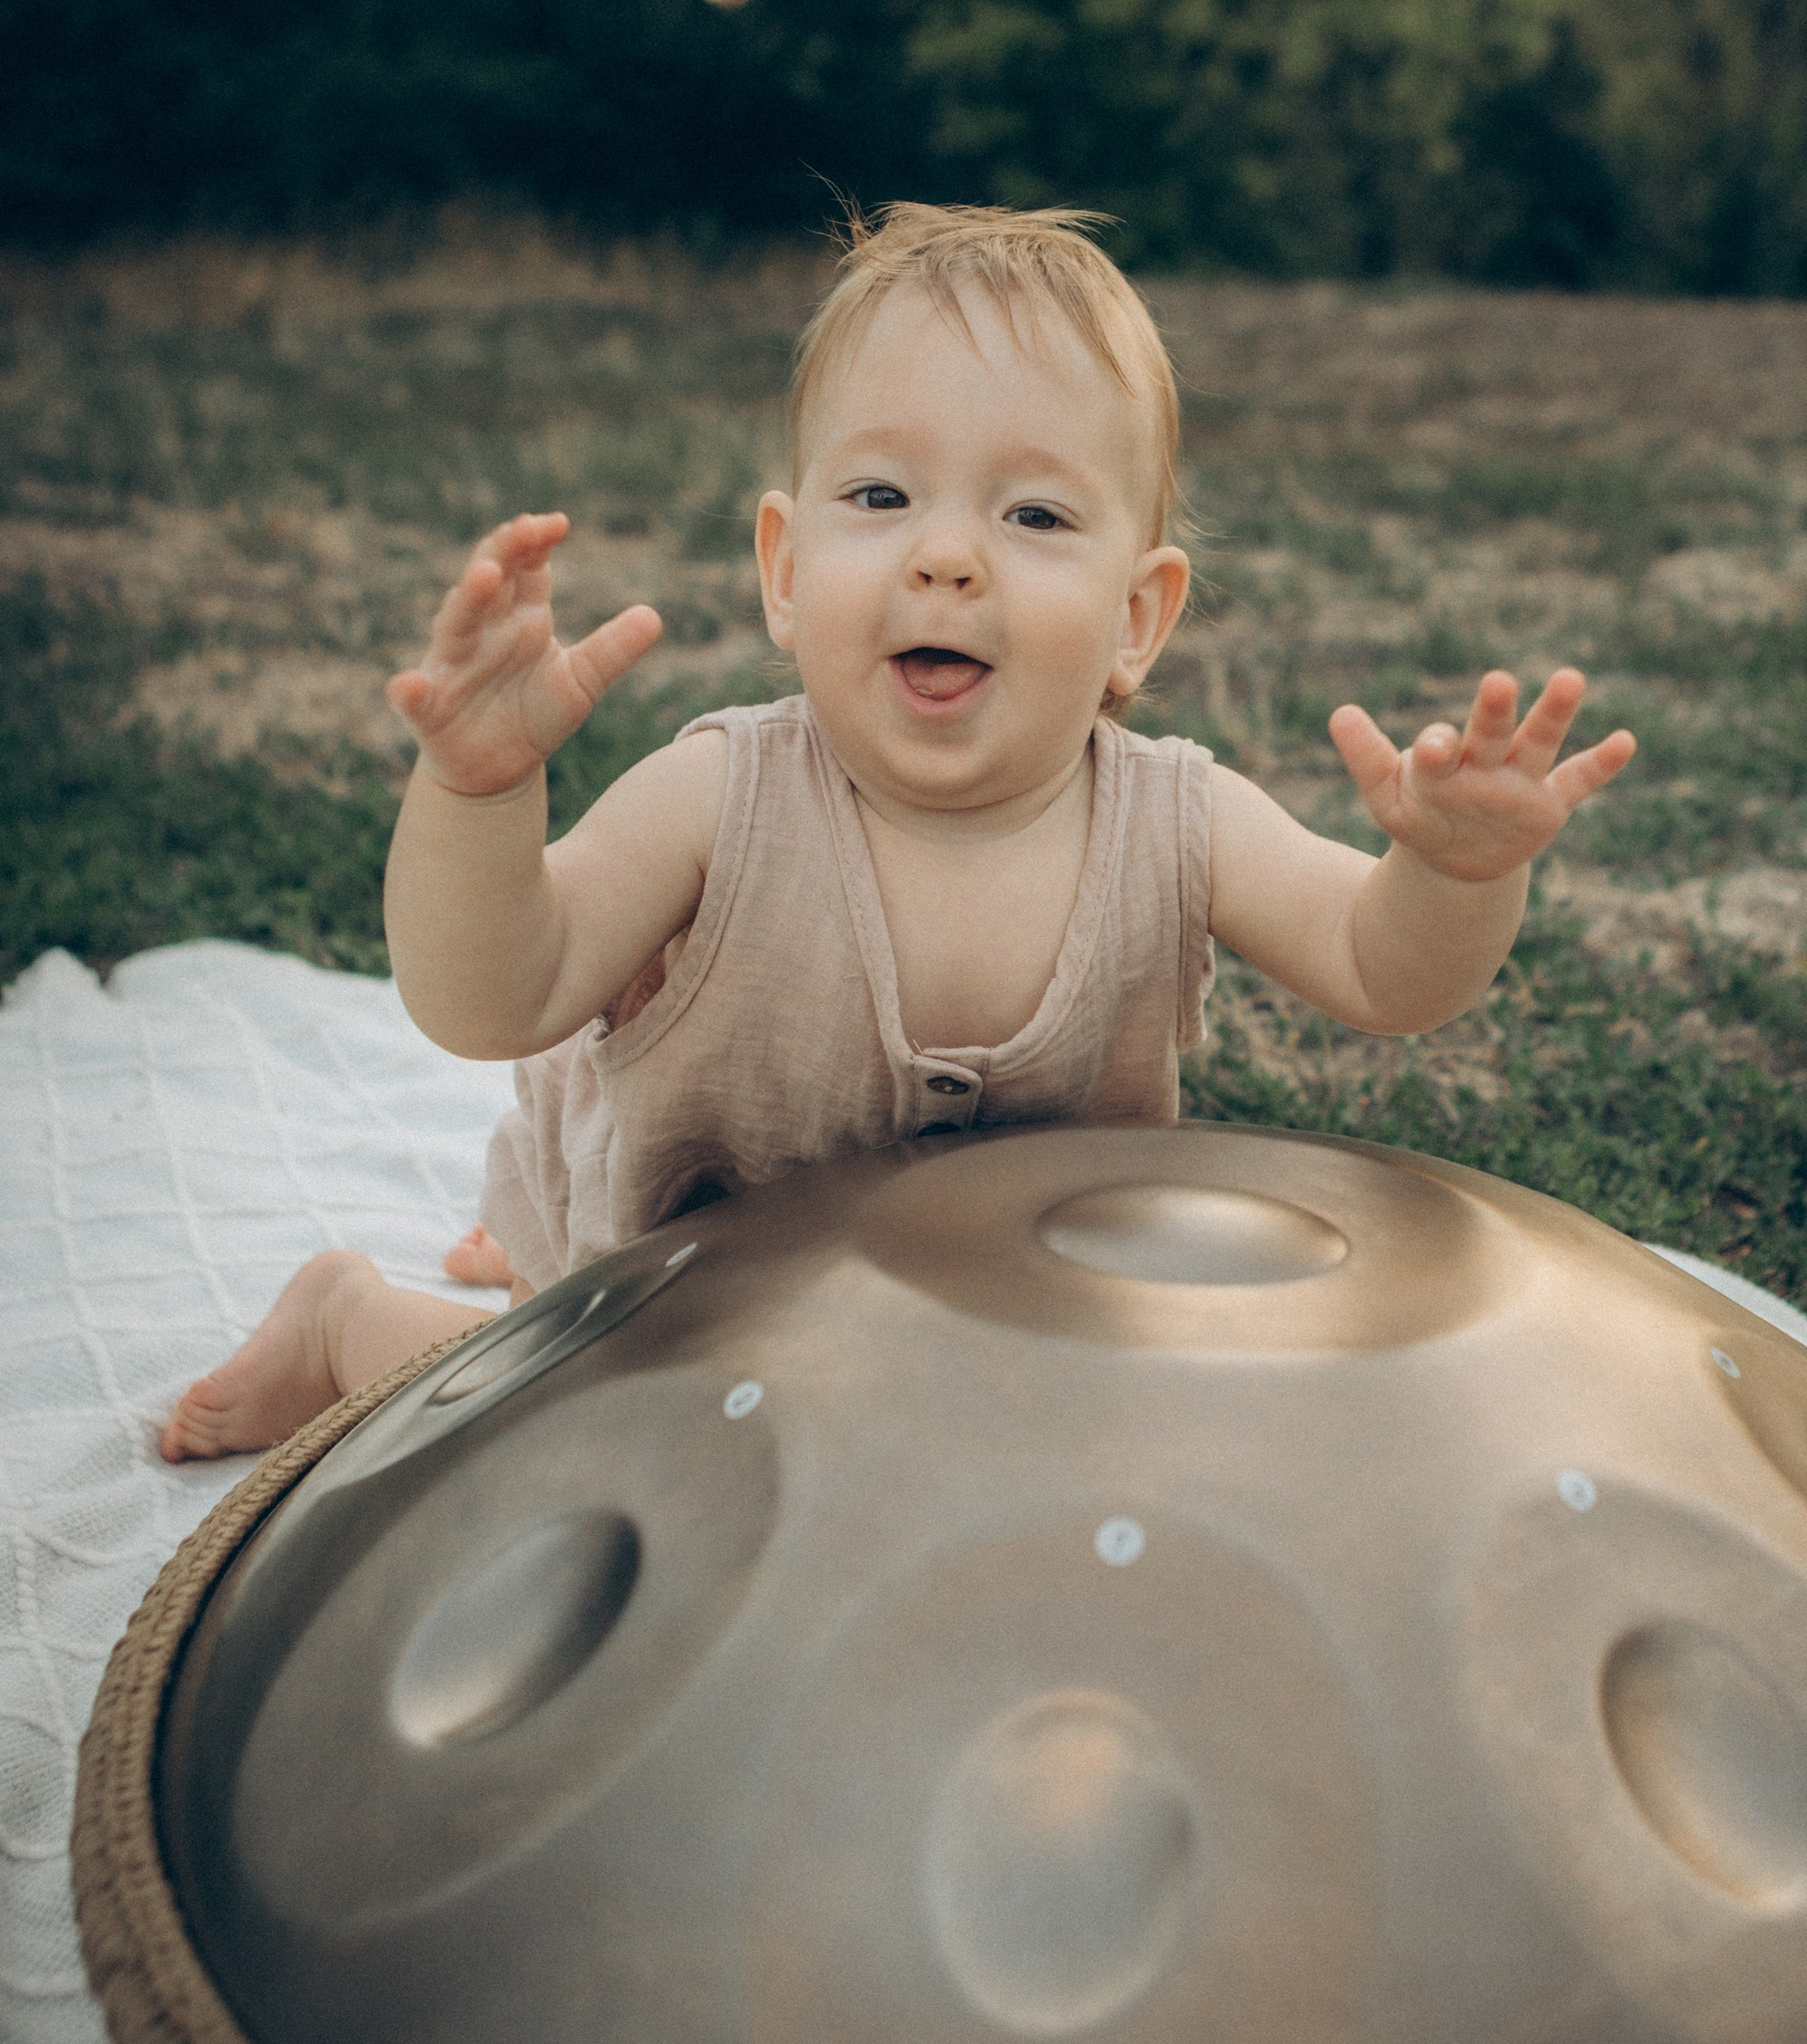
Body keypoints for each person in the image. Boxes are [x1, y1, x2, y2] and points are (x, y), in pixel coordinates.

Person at [160, 205, 1636, 1463]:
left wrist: (1449, 872)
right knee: (570, 1426)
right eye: (881, 495)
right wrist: (478, 795)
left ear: (1138, 619)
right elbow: (488, 996)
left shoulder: (1177, 818)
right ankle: (359, 1320)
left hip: (1014, 1327)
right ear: (788, 572)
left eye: (1037, 517)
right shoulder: (719, 800)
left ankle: (526, 1228)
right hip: (693, 1315)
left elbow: (1391, 975)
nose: (944, 554)